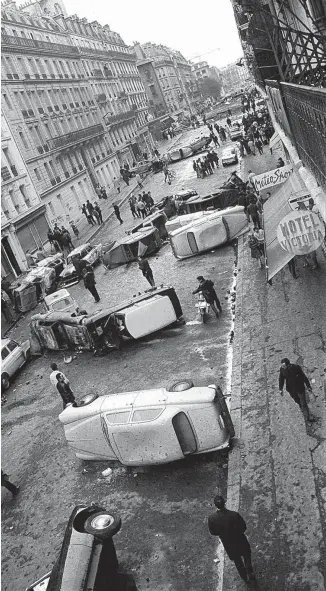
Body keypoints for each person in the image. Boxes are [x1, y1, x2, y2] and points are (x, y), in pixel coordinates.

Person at [208, 495, 255, 584]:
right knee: (246, 554)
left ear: (215, 505)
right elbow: (243, 527)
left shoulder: (212, 519)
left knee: (238, 562)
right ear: (225, 502)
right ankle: (250, 570)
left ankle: (245, 578)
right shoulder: (234, 515)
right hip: (240, 540)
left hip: (229, 544)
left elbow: (213, 532)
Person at [279, 358, 315, 423]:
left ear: (289, 365)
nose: (283, 367)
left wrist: (308, 386)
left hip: (300, 388)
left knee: (303, 403)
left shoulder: (296, 367)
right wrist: (280, 389)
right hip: (291, 389)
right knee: (298, 401)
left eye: (284, 366)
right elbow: (281, 379)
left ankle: (307, 417)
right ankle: (303, 410)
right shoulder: (282, 369)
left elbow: (303, 376)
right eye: (282, 366)